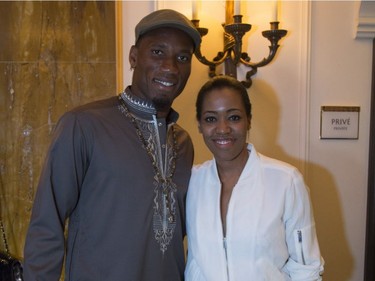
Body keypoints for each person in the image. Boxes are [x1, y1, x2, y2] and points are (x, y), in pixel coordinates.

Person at [23, 9, 201, 281]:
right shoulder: (83, 125)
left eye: (182, 57)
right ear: (133, 57)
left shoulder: (183, 143)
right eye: (157, 52)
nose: (170, 67)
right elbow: (46, 225)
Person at [185, 76, 324, 280]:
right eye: (211, 119)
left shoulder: (286, 181)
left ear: (248, 120)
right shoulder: (191, 182)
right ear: (199, 125)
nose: (222, 129)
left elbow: (306, 269)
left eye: (233, 117)